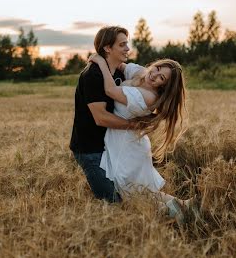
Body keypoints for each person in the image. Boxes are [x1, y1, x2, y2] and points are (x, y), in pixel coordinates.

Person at [88, 54, 197, 223]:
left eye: (161, 78)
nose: (154, 75)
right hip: (127, 141)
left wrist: (101, 62)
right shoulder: (142, 72)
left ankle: (173, 214)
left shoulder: (149, 97)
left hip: (127, 146)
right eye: (158, 68)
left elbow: (110, 90)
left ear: (164, 86)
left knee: (130, 191)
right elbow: (123, 66)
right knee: (142, 189)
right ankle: (184, 205)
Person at [70, 26, 132, 203]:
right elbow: (101, 117)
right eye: (122, 45)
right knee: (113, 201)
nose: (127, 48)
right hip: (90, 150)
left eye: (127, 44)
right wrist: (134, 125)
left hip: (112, 147)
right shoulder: (92, 75)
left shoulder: (120, 73)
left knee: (131, 196)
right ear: (107, 48)